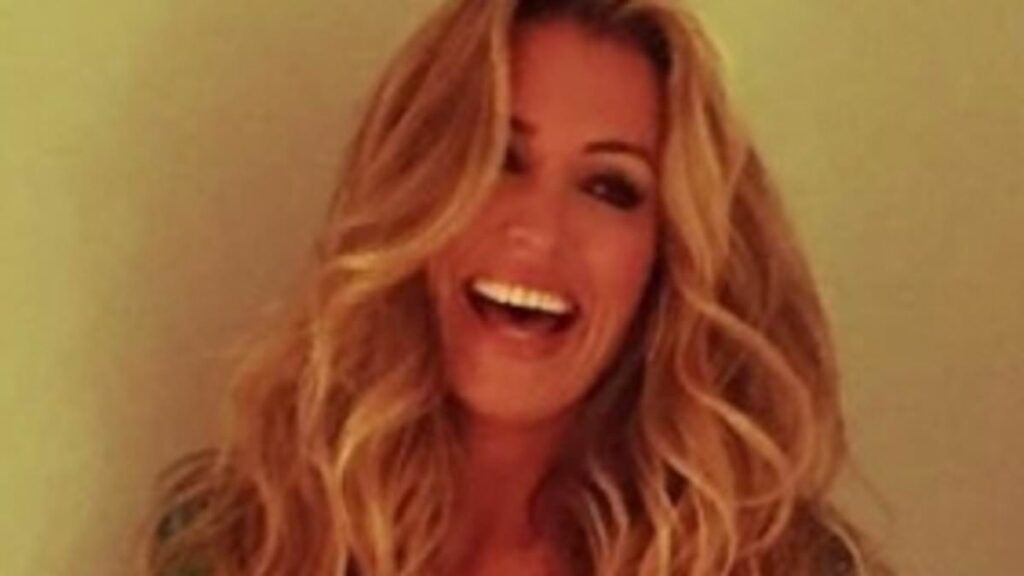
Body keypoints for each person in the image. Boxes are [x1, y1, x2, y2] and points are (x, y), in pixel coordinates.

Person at [145, 0, 891, 574]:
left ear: (668, 257)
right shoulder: (244, 541)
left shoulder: (774, 564)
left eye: (609, 187)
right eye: (500, 158)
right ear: (413, 189)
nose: (537, 230)